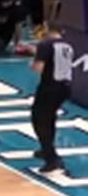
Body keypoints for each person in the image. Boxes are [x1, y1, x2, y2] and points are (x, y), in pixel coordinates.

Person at [30, 25, 74, 173]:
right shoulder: (68, 46)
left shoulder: (45, 44)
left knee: (39, 120)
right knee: (50, 117)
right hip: (65, 88)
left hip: (49, 87)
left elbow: (38, 67)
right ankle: (46, 148)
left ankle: (51, 157)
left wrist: (33, 62)